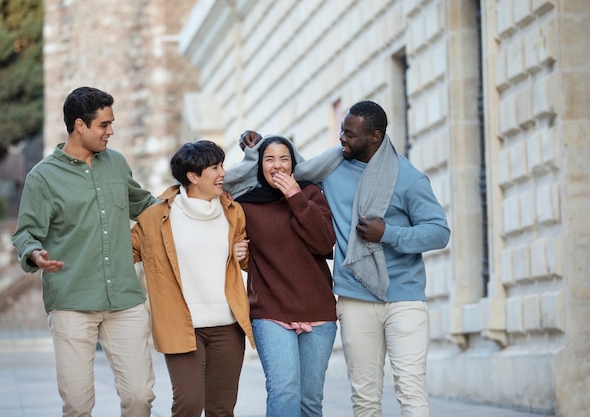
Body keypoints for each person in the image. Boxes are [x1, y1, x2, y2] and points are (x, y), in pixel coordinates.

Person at [227, 100, 450, 417]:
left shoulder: (408, 178)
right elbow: (288, 170)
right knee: (364, 396)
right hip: (354, 297)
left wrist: (388, 233)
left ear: (374, 137)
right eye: (341, 131)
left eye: (349, 134)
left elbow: (439, 233)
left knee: (411, 390)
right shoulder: (330, 172)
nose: (341, 139)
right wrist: (258, 149)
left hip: (403, 297)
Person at [11, 86, 157, 417]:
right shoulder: (43, 177)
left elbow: (145, 205)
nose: (111, 131)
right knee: (77, 405)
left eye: (111, 123)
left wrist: (191, 201)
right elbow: (26, 233)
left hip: (124, 299)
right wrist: (35, 254)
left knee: (139, 396)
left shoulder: (116, 163)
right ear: (80, 126)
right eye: (104, 125)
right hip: (72, 301)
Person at [130, 140, 255, 417]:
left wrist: (240, 253)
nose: (223, 172)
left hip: (228, 327)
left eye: (222, 165)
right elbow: (123, 255)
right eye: (215, 167)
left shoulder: (233, 212)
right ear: (193, 176)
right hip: (181, 328)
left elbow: (245, 263)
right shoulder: (155, 217)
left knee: (221, 409)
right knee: (188, 404)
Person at [233, 135, 337, 417]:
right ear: (260, 165)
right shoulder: (246, 205)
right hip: (270, 310)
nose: (277, 165)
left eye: (284, 158)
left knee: (310, 401)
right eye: (269, 159)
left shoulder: (312, 194)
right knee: (284, 391)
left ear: (293, 163)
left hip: (318, 311)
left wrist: (295, 197)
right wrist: (238, 252)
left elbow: (325, 243)